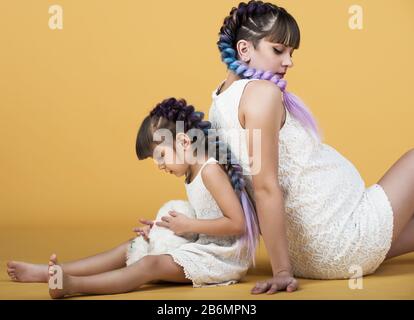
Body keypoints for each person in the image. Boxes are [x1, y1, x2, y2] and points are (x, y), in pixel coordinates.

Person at [209, 0, 414, 294]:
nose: (288, 62)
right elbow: (264, 186)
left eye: (291, 53)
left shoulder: (219, 102)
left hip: (310, 255)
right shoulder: (261, 96)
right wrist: (281, 272)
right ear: (244, 49)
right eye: (278, 50)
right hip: (342, 236)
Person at [6, 97, 259, 298]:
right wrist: (164, 230)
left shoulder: (210, 171)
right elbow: (204, 216)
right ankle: (46, 272)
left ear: (183, 141)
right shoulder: (191, 174)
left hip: (222, 257)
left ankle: (72, 285)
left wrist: (188, 226)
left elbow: (237, 223)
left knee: (149, 265)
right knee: (131, 246)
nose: (159, 165)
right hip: (204, 244)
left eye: (160, 155)